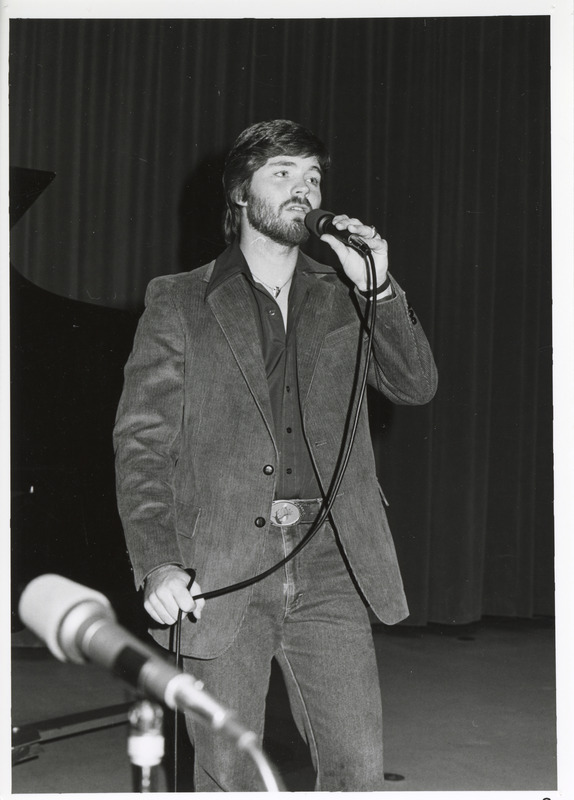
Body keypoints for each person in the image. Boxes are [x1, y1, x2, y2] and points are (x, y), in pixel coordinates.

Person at [113, 119, 438, 791]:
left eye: (312, 177)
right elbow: (143, 444)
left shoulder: (345, 296)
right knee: (228, 775)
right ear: (240, 193)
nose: (304, 188)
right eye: (283, 173)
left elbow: (416, 384)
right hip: (222, 562)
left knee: (356, 771)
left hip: (329, 558)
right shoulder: (180, 300)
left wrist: (378, 288)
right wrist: (158, 562)